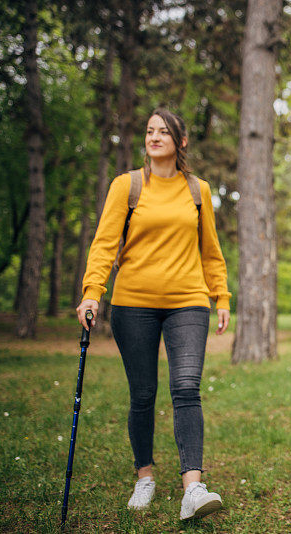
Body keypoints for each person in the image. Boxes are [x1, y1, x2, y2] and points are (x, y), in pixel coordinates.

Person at [76, 108, 231, 520]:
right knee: (143, 394)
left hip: (188, 301)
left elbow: (210, 250)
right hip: (133, 302)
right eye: (149, 131)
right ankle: (144, 475)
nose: (155, 137)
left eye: (164, 131)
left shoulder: (199, 190)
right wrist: (93, 292)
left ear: (180, 141)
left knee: (186, 387)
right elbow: (104, 244)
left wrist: (222, 297)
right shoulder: (126, 186)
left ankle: (193, 489)